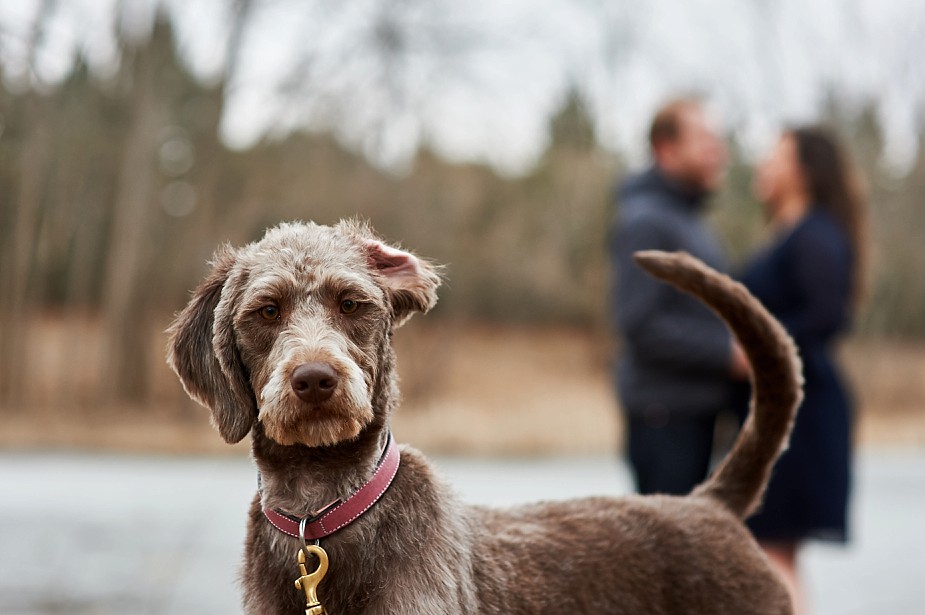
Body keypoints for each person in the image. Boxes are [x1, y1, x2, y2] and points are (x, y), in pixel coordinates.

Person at [739, 126, 864, 613]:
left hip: (802, 419)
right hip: (789, 413)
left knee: (771, 549)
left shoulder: (815, 236)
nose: (763, 165)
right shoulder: (794, 233)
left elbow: (826, 316)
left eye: (775, 157)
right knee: (771, 549)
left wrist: (752, 352)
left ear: (804, 171)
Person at [609, 97, 749, 496]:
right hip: (666, 419)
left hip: (688, 414)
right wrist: (729, 354)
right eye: (705, 139)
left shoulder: (684, 219)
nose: (718, 150)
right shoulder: (647, 221)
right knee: (666, 557)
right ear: (666, 150)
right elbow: (639, 324)